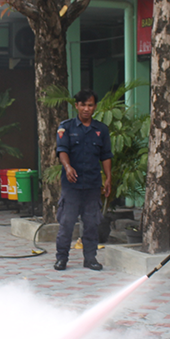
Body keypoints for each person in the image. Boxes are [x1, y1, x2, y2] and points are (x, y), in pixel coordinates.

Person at [54, 90, 112, 271]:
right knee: (67, 223)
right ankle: (61, 258)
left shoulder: (101, 130)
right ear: (76, 105)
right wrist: (68, 167)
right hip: (72, 185)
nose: (87, 109)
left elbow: (106, 155)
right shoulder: (66, 127)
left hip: (93, 184)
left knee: (92, 224)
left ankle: (90, 259)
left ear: (95, 107)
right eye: (83, 105)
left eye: (90, 105)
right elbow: (62, 150)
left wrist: (108, 177)